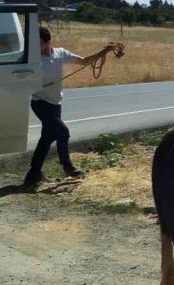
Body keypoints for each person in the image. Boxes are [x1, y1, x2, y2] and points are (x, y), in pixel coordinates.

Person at [22, 27, 117, 188]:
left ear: (47, 42)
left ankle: (33, 174)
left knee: (47, 137)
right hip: (40, 103)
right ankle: (68, 167)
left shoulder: (60, 53)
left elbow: (84, 61)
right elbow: (21, 79)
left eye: (37, 43)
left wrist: (104, 52)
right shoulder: (31, 60)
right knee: (63, 132)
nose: (34, 46)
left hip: (55, 104)